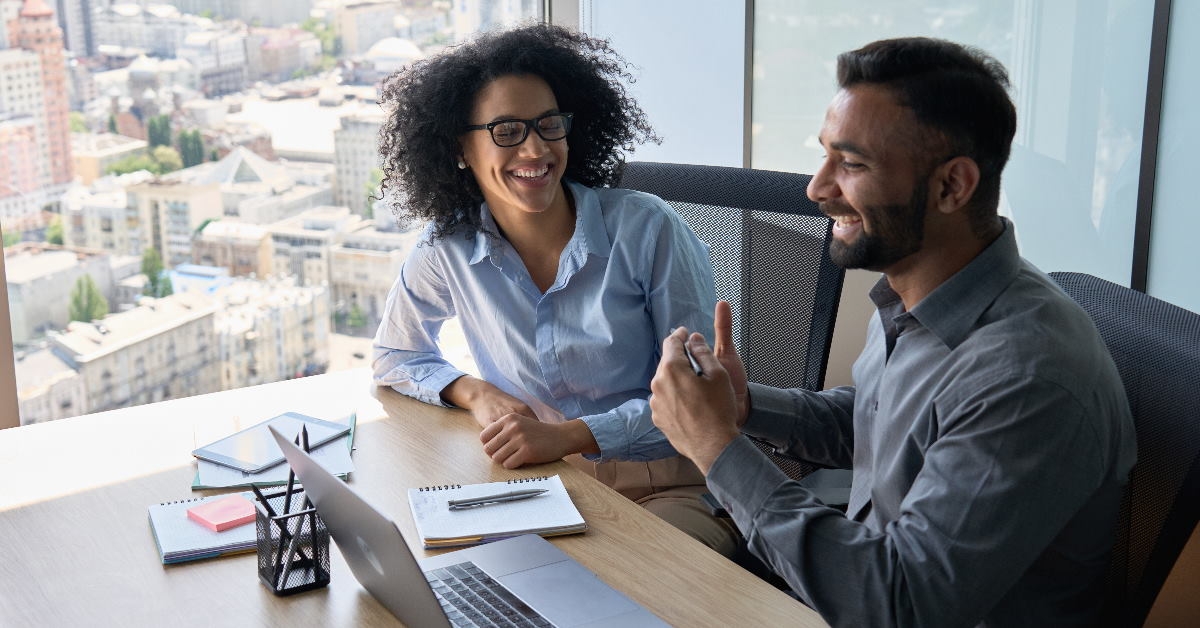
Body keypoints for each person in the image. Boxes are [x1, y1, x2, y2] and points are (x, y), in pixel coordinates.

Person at [649, 37, 1137, 627]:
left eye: (851, 165)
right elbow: (883, 422)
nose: (817, 188)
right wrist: (746, 407)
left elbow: (901, 602)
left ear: (951, 187)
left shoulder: (1027, 373)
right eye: (825, 156)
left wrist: (716, 448)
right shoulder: (919, 297)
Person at [372, 23, 738, 555]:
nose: (536, 148)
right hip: (542, 486)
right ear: (459, 149)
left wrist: (570, 436)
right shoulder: (448, 246)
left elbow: (704, 404)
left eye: (549, 125)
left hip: (671, 487)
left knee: (622, 595)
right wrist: (476, 392)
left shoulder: (647, 230)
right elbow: (395, 355)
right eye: (506, 131)